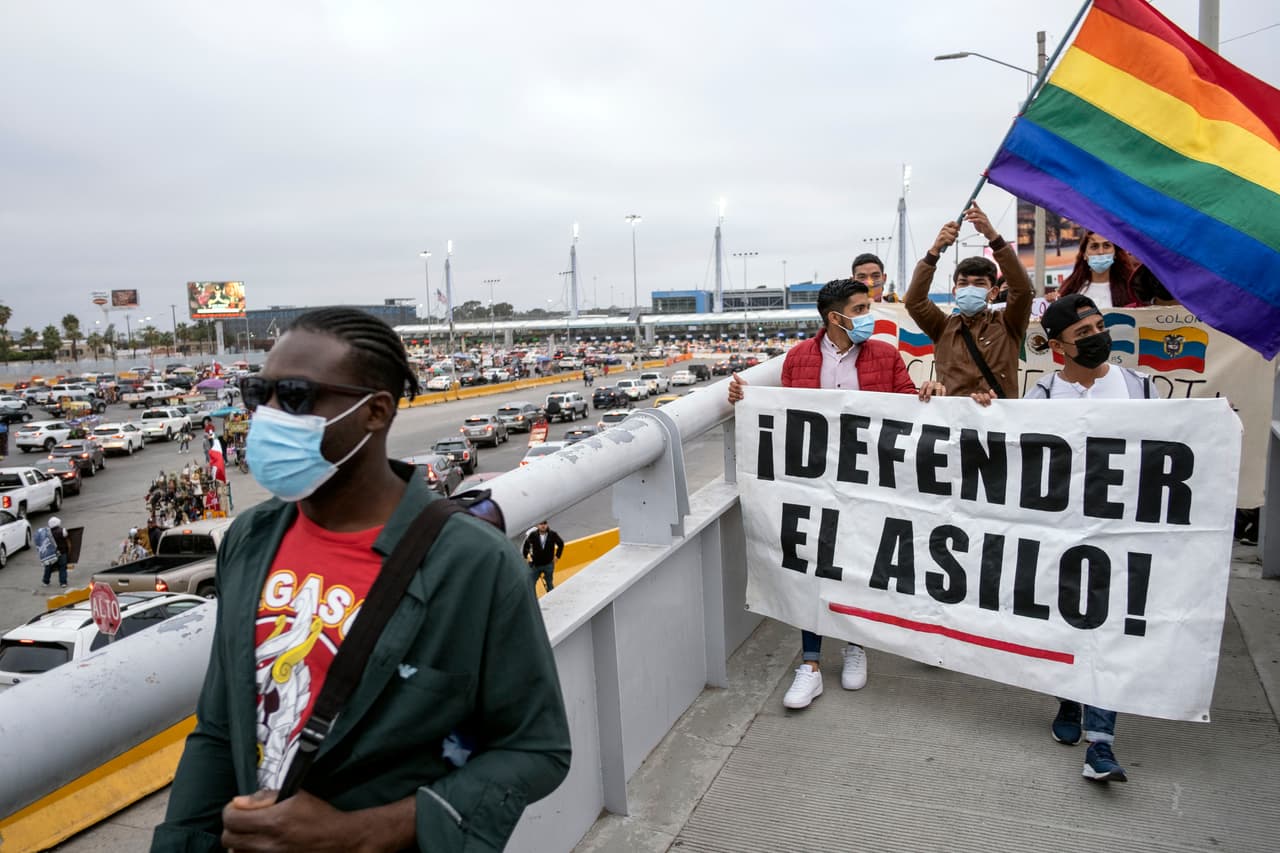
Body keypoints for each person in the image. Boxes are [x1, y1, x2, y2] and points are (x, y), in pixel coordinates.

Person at [154, 307, 570, 852]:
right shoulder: (250, 540)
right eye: (259, 393)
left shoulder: (473, 565)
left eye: (295, 396)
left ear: (375, 411)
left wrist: (360, 834)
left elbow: (537, 749)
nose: (268, 416)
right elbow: (218, 725)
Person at [728, 279, 945, 710]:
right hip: (815, 482)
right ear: (835, 317)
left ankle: (854, 646)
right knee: (812, 565)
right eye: (860, 309)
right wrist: (744, 397)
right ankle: (809, 664)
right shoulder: (799, 358)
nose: (869, 316)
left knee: (857, 562)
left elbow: (906, 403)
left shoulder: (884, 355)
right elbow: (783, 411)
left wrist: (929, 393)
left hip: (868, 482)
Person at [974, 293, 1155, 783]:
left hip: (1118, 535)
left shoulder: (1139, 388)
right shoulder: (1044, 396)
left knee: (1106, 630)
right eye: (1083, 333)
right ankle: (1069, 701)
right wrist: (986, 414)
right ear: (1058, 347)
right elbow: (1014, 455)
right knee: (1068, 624)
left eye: (1099, 327)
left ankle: (1101, 742)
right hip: (1061, 535)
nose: (1097, 337)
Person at [905, 201, 1033, 399]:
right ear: (955, 291)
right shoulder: (942, 327)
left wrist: (993, 237)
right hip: (953, 417)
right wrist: (934, 251)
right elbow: (914, 301)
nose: (970, 288)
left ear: (993, 292)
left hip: (999, 416)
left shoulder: (1008, 324)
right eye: (963, 283)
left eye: (979, 283)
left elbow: (1022, 291)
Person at [1058, 230, 1146, 308]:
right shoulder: (1070, 290)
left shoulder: (1132, 289)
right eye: (1094, 246)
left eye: (1106, 246)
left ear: (1115, 253)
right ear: (1084, 254)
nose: (1101, 252)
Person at [522, 520, 566, 593]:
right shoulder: (533, 535)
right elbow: (526, 546)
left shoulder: (553, 534)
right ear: (538, 525)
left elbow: (561, 544)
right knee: (531, 583)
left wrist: (557, 556)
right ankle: (533, 598)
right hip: (536, 565)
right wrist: (526, 556)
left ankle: (551, 596)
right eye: (541, 524)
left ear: (547, 524)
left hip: (548, 565)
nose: (543, 526)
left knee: (549, 583)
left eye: (544, 524)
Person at [42, 517, 70, 589]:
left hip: (51, 553)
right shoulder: (63, 530)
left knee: (48, 567)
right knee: (62, 567)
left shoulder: (47, 533)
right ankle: (63, 583)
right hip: (62, 552)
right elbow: (66, 536)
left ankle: (45, 581)